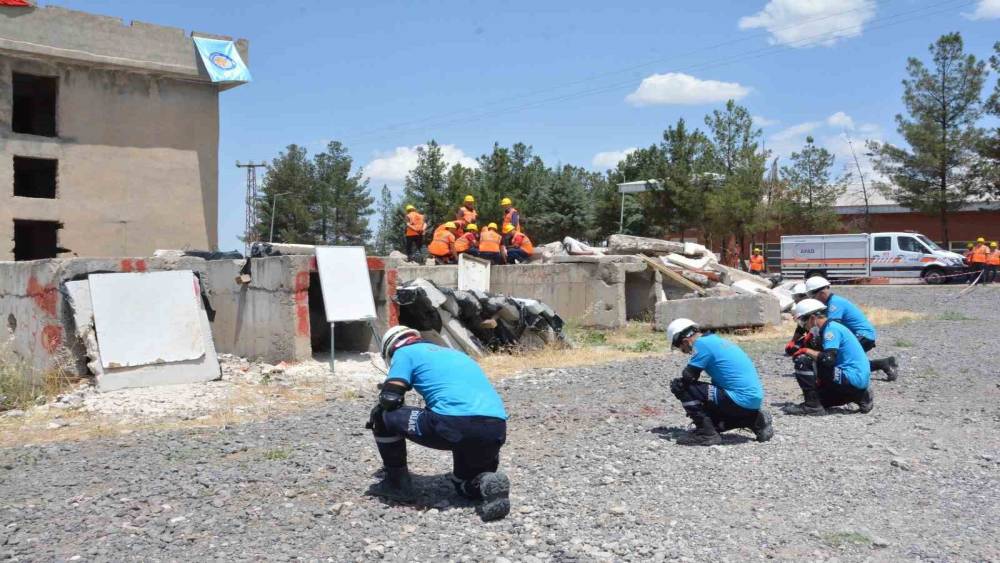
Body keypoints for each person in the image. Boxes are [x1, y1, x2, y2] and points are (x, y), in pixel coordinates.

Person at [365, 325, 510, 521]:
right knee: (462, 485)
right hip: (495, 428)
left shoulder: (403, 352)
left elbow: (391, 398)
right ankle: (486, 481)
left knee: (381, 415)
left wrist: (388, 392)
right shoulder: (457, 354)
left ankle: (397, 484)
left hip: (453, 424)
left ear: (389, 350)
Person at [664, 318, 774, 446]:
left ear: (685, 341)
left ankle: (707, 434)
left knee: (681, 387)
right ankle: (754, 419)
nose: (684, 351)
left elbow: (688, 376)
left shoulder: (701, 344)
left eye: (680, 348)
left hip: (737, 399)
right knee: (715, 423)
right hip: (751, 401)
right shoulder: (715, 340)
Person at [782, 299, 874, 415]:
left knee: (802, 361)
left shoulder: (831, 330)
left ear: (812, 318)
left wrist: (805, 350)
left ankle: (812, 406)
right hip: (855, 379)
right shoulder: (830, 327)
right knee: (821, 399)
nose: (803, 326)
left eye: (802, 322)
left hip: (851, 377)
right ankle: (860, 396)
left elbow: (828, 360)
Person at [805, 276, 899, 381]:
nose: (812, 299)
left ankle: (883, 364)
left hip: (863, 336)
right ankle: (883, 363)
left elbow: (831, 328)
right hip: (859, 335)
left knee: (835, 360)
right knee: (844, 360)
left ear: (821, 293)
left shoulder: (834, 304)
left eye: (812, 296)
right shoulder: (832, 302)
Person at [784, 283, 816, 381]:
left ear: (803, 296)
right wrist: (793, 341)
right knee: (791, 349)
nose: (794, 300)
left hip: (816, 337)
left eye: (796, 297)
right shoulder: (803, 308)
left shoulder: (813, 307)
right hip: (811, 336)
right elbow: (801, 328)